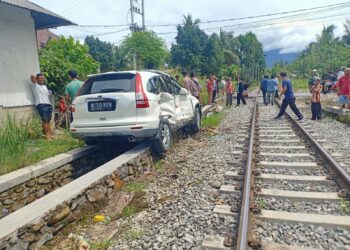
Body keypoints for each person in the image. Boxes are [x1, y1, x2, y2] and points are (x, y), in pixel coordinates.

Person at [30, 73, 53, 140]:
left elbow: (48, 94)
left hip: (48, 104)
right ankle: (47, 136)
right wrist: (37, 78)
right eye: (41, 78)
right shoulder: (35, 85)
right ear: (37, 79)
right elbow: (32, 76)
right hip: (41, 104)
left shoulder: (45, 87)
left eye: (43, 78)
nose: (42, 79)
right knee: (45, 120)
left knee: (48, 121)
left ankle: (48, 134)